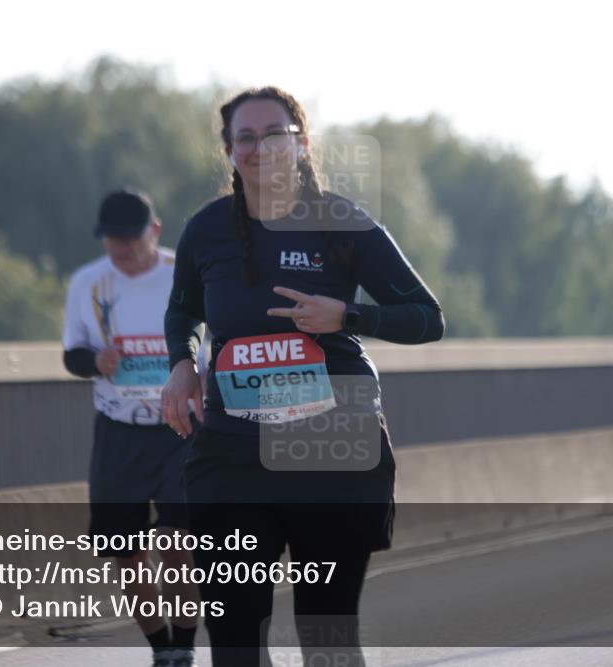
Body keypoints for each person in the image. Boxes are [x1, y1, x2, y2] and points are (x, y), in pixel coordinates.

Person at [161, 88, 445, 666]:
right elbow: (181, 310)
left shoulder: (343, 225)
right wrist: (182, 364)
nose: (260, 147)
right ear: (229, 150)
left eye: (274, 134)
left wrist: (349, 316)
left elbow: (428, 318)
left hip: (332, 447)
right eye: (245, 137)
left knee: (326, 638)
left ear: (301, 143)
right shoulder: (206, 230)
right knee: (235, 640)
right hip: (233, 455)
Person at [62, 188, 200, 667]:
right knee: (125, 551)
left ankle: (183, 646)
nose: (121, 248)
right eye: (111, 239)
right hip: (118, 429)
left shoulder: (184, 274)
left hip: (180, 423)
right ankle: (161, 647)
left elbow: (217, 338)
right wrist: (95, 361)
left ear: (154, 232)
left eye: (130, 238)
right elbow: (71, 354)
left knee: (178, 542)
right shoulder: (87, 284)